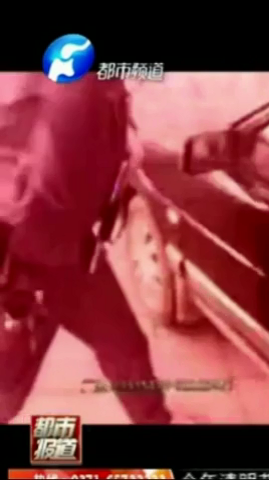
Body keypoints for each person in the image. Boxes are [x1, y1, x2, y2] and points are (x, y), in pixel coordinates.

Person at [0, 73, 172, 424]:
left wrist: (123, 141)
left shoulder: (101, 84)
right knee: (9, 384)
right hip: (25, 265)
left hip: (74, 254)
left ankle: (155, 421)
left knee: (124, 346)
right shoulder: (48, 86)